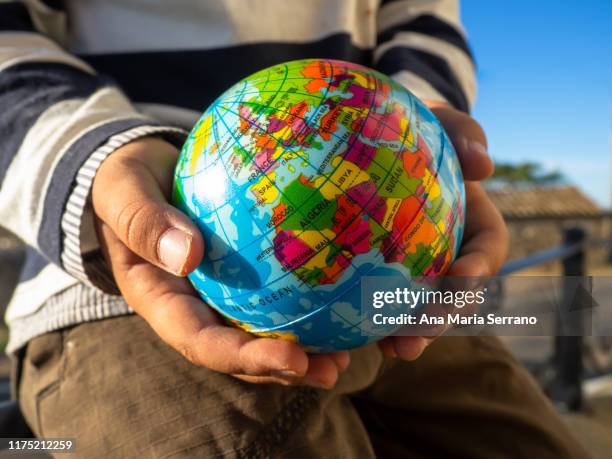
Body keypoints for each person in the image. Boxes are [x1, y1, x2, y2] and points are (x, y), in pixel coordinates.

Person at [0, 0, 591, 457]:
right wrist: (93, 161)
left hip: (403, 259)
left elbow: (421, 19)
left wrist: (427, 142)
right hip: (135, 265)